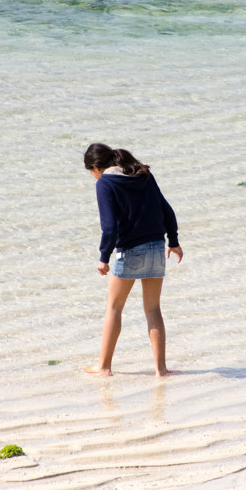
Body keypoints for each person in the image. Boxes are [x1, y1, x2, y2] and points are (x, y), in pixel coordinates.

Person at [82, 143, 183, 377]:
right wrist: (174, 242)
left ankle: (104, 367)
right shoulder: (144, 175)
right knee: (153, 308)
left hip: (129, 250)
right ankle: (161, 370)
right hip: (157, 246)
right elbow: (167, 209)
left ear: (96, 167)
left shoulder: (105, 183)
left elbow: (109, 227)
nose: (94, 177)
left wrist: (103, 258)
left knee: (114, 307)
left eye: (91, 173)